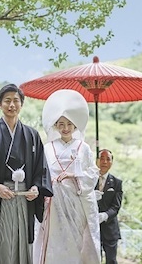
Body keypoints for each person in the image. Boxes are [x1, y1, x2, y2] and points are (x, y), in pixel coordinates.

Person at [0, 83, 53, 264]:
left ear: (22, 103)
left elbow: (41, 167)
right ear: (0, 104)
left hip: (23, 197)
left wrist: (36, 187)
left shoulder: (32, 135)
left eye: (16, 101)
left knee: (19, 240)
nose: (11, 105)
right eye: (7, 101)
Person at [33, 89, 101, 264]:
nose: (65, 128)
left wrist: (74, 175)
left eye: (69, 124)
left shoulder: (83, 147)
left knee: (75, 241)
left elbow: (93, 173)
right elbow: (39, 173)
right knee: (55, 241)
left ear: (75, 126)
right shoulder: (47, 148)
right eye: (61, 124)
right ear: (55, 125)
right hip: (54, 202)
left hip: (75, 202)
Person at [96, 149, 123, 264]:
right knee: (93, 259)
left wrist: (104, 216)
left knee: (111, 261)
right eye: (102, 158)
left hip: (110, 229)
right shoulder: (89, 179)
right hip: (92, 228)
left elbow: (116, 207)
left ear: (112, 162)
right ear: (97, 161)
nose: (104, 162)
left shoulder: (117, 183)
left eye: (108, 159)